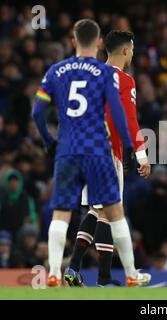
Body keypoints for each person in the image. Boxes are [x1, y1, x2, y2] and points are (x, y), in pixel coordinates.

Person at [32, 19, 136, 287]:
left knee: (63, 212)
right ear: (99, 42)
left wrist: (48, 140)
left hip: (67, 150)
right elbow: (120, 116)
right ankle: (127, 275)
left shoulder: (57, 70)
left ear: (72, 41)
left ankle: (57, 270)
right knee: (112, 212)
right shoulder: (104, 74)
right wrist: (129, 147)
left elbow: (37, 111)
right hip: (99, 150)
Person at [64, 30, 151, 287]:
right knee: (109, 213)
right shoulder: (125, 80)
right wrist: (141, 155)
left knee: (95, 209)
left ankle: (74, 268)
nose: (133, 54)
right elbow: (130, 120)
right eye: (132, 49)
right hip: (106, 152)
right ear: (126, 51)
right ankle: (104, 278)